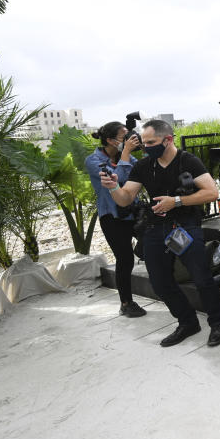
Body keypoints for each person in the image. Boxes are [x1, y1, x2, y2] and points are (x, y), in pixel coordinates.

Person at [101, 119, 220, 348]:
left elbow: (211, 192)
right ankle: (187, 322)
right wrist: (113, 188)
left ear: (167, 140)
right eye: (144, 142)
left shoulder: (188, 161)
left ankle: (217, 323)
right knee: (159, 283)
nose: (146, 146)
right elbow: (125, 198)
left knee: (202, 279)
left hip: (186, 225)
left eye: (151, 141)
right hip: (155, 227)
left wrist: (176, 201)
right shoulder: (143, 166)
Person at [85, 121, 145, 318]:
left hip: (133, 212)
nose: (128, 140)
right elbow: (115, 180)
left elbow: (139, 175)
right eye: (124, 137)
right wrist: (127, 154)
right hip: (112, 217)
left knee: (153, 244)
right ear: (110, 140)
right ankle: (126, 303)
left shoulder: (126, 157)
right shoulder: (93, 161)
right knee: (125, 259)